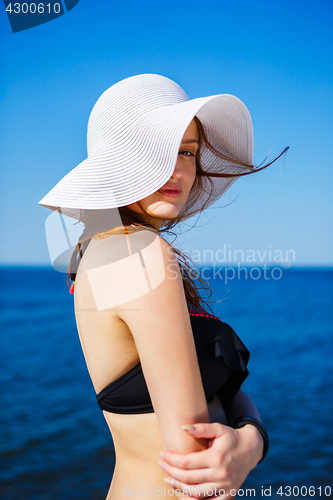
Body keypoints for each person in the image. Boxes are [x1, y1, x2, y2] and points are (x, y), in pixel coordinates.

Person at [39, 74, 283, 499]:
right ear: (115, 165)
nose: (178, 169)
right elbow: (193, 453)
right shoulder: (139, 253)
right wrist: (250, 445)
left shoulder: (104, 249)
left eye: (186, 151)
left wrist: (250, 440)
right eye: (154, 150)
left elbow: (225, 397)